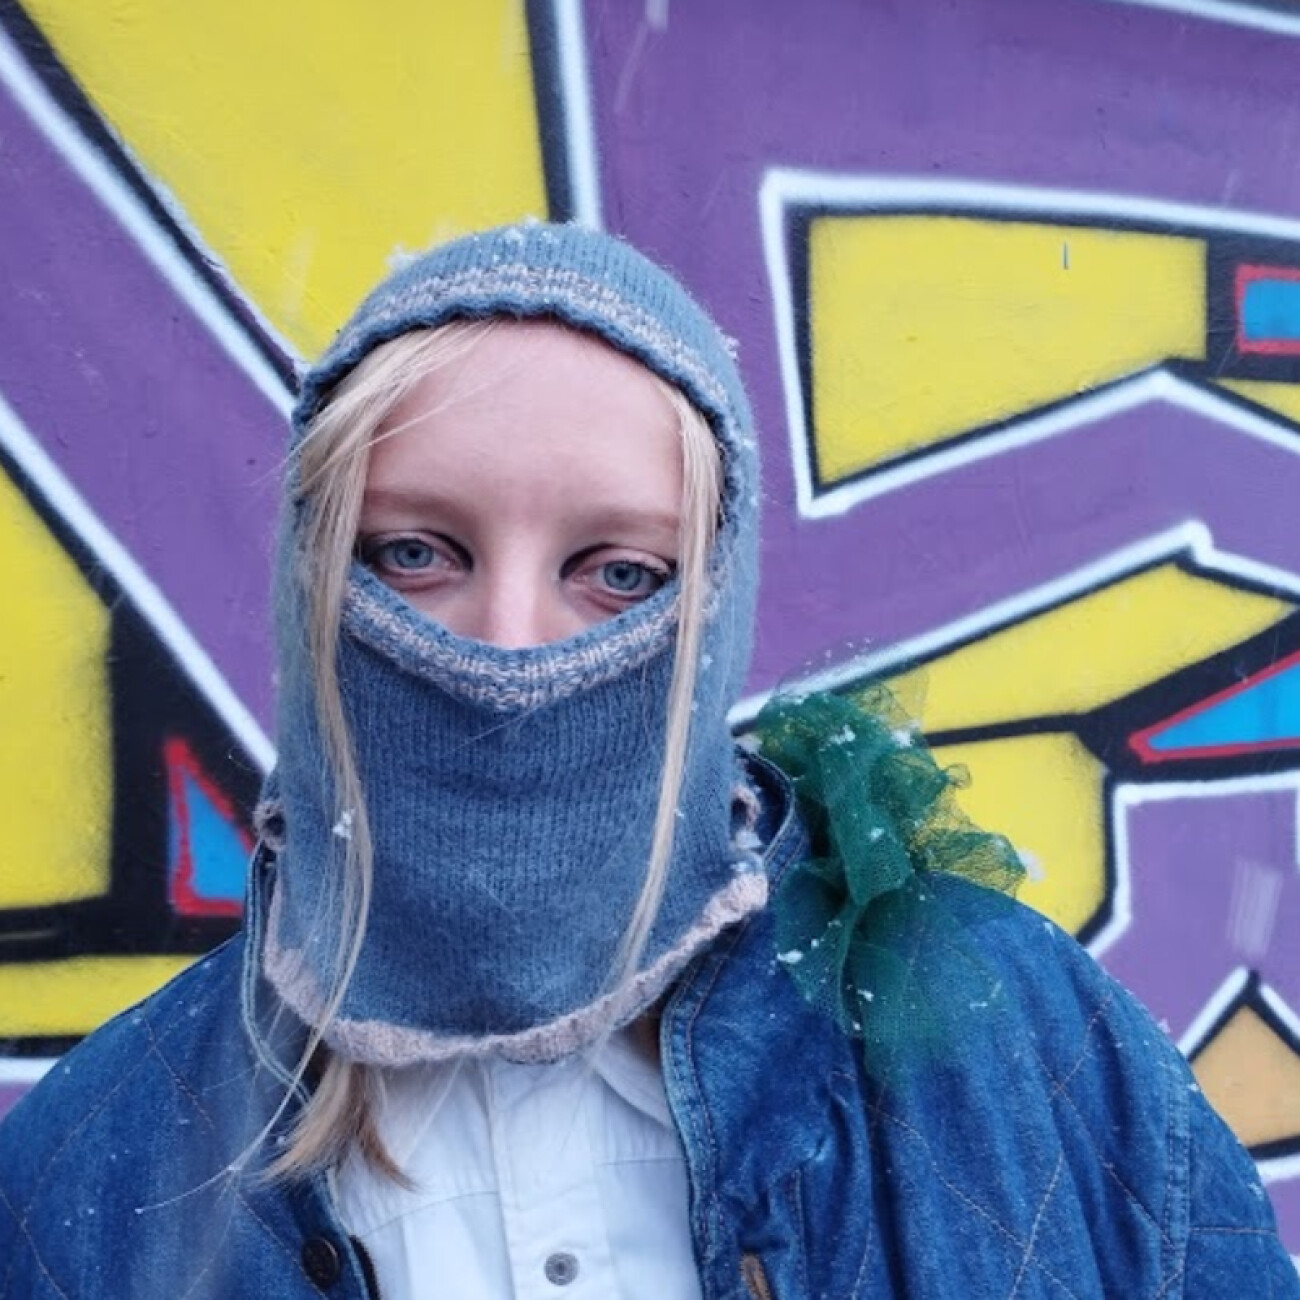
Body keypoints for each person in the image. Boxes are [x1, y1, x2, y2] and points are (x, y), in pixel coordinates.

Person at [0, 222, 1294, 1299]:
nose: (509, 648)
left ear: (713, 609)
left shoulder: (1022, 1039)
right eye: (415, 554)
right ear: (312, 579)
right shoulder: (88, 1174)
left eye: (619, 573)